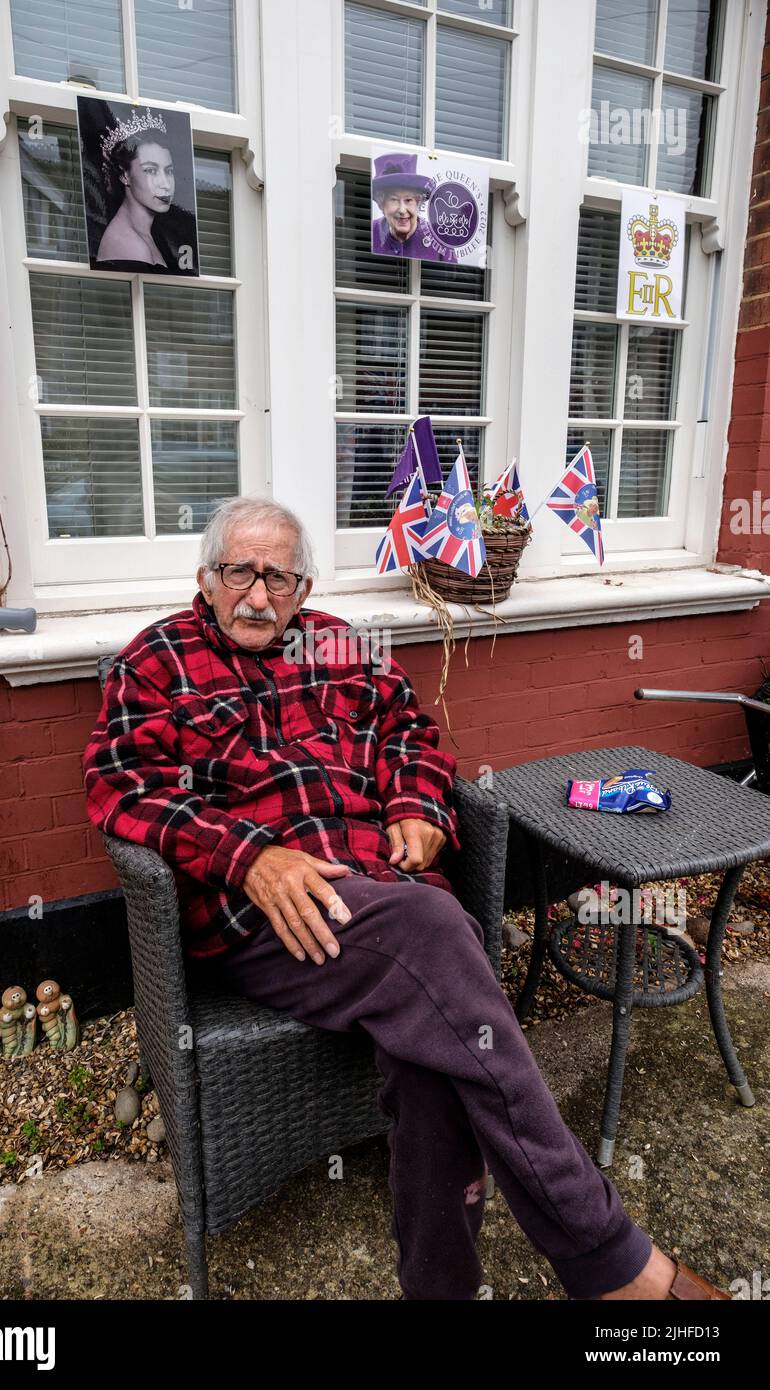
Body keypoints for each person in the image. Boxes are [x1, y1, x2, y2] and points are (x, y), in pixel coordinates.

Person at [82, 496, 730, 1303]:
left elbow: (413, 738)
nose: (257, 595)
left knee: (430, 1056)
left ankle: (440, 1287)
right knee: (435, 930)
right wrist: (246, 857)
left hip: (392, 892)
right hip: (274, 916)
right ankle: (607, 1256)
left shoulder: (345, 646)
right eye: (239, 572)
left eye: (277, 577)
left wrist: (420, 804)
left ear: (303, 583)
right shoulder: (155, 663)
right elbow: (120, 792)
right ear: (205, 578)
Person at [95, 112, 177, 271]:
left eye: (169, 171)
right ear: (125, 175)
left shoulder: (148, 234)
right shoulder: (132, 246)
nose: (166, 184)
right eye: (151, 171)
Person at [371, 152, 457, 264]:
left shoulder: (440, 240)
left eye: (408, 200)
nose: (402, 210)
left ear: (418, 202)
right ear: (381, 204)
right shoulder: (371, 232)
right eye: (394, 200)